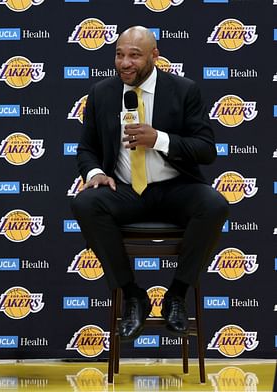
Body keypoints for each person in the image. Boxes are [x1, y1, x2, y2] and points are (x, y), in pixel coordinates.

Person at [71, 26, 229, 341]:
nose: (124, 63)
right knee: (84, 203)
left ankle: (176, 294)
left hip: (175, 189)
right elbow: (86, 148)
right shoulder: (102, 93)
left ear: (154, 56)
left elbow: (206, 150)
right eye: (119, 55)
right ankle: (132, 295)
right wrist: (94, 174)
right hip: (125, 190)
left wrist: (160, 139)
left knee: (215, 205)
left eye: (134, 55)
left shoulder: (184, 90)